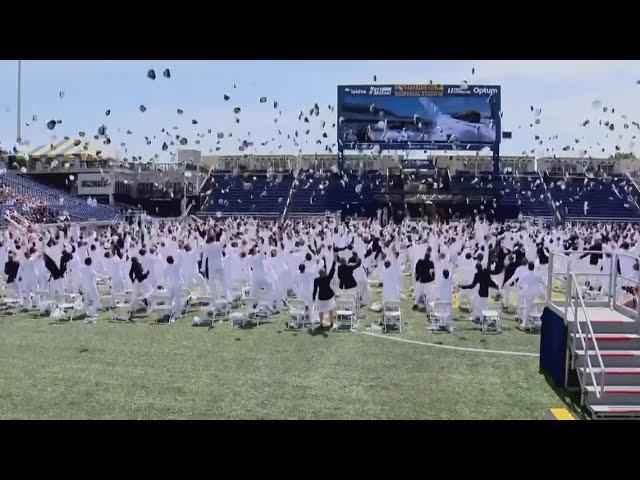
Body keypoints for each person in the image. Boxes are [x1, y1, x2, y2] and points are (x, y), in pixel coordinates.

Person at [312, 254, 337, 328]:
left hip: (321, 297)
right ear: (325, 273)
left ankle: (321, 323)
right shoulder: (327, 278)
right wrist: (334, 262)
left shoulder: (316, 280)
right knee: (330, 310)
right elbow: (332, 271)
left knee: (321, 310)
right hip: (329, 296)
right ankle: (331, 323)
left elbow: (315, 290)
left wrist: (313, 297)